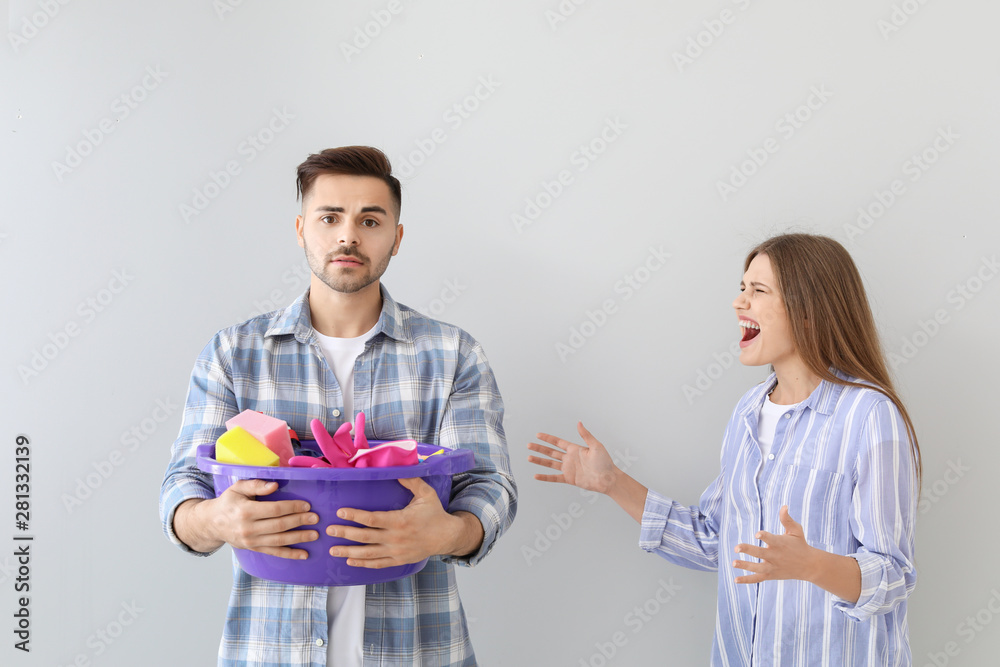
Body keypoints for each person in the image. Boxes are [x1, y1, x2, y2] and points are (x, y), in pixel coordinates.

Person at [160, 146, 517, 667]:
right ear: (302, 229)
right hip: (269, 652)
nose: (348, 235)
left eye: (370, 220)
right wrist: (215, 520)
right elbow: (181, 487)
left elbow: (490, 486)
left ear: (396, 238)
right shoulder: (234, 353)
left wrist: (451, 531)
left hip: (417, 651)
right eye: (330, 217)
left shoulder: (452, 353)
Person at [528, 233, 920, 666]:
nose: (739, 302)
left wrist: (811, 564)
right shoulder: (747, 413)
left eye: (758, 291)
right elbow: (716, 542)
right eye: (741, 289)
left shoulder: (868, 415)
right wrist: (613, 483)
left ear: (809, 312)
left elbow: (894, 575)